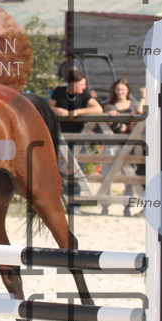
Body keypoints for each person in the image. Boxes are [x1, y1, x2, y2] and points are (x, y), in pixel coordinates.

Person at [49, 70, 102, 213]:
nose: (84, 87)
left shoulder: (84, 94)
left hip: (78, 137)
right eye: (81, 84)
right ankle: (58, 203)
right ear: (72, 84)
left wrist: (77, 112)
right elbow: (48, 106)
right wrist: (58, 110)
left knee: (77, 171)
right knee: (58, 170)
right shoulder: (59, 91)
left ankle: (75, 204)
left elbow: (98, 108)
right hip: (60, 137)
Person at [102, 79, 140, 216]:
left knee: (128, 175)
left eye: (122, 89)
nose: (120, 92)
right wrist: (110, 117)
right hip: (112, 141)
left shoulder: (134, 106)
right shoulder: (110, 106)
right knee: (106, 174)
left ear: (127, 90)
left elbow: (135, 126)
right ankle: (105, 206)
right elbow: (106, 124)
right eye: (118, 89)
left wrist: (129, 124)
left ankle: (127, 206)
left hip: (128, 143)